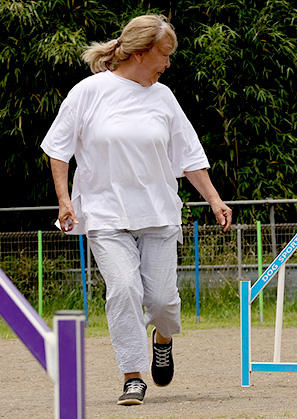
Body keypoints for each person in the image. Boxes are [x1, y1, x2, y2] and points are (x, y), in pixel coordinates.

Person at [41, 14, 232, 406]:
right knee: (124, 290)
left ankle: (163, 338)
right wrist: (64, 198)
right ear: (141, 53)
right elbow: (58, 149)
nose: (167, 64)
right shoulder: (89, 92)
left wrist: (214, 199)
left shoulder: (164, 97)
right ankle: (132, 375)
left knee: (162, 300)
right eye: (164, 55)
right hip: (105, 214)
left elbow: (189, 154)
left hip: (159, 214)